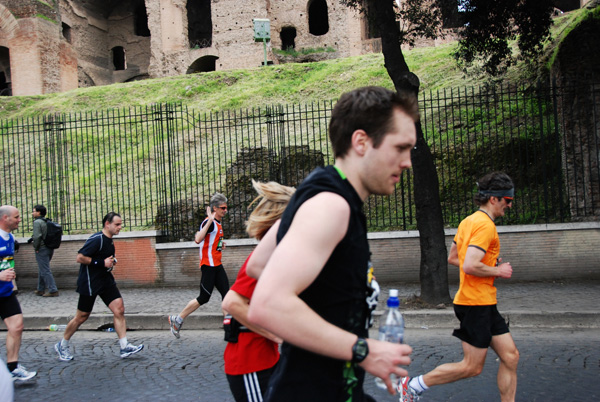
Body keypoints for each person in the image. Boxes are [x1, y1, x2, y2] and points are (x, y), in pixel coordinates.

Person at [246, 86, 418, 401]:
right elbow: (267, 304)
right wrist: (364, 350)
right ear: (362, 142)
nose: (407, 162)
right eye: (401, 147)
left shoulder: (318, 188)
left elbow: (259, 264)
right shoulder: (331, 205)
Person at [399, 171, 520, 402]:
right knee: (471, 367)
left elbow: (454, 257)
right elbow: (470, 265)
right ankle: (413, 386)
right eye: (508, 200)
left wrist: (487, 264)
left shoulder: (469, 221)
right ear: (493, 199)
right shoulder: (485, 227)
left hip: (483, 300)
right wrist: (498, 270)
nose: (509, 206)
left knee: (511, 356)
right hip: (475, 303)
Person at [222, 180, 294, 402]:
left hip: (267, 359)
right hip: (249, 364)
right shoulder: (261, 260)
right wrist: (274, 334)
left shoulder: (274, 256)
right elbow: (231, 302)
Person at [54, 212, 144, 361]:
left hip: (105, 280)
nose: (120, 227)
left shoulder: (109, 240)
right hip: (90, 282)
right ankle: (62, 345)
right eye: (117, 224)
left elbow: (104, 258)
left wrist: (111, 261)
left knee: (119, 309)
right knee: (81, 316)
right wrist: (102, 263)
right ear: (107, 224)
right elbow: (80, 257)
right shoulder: (97, 239)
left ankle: (124, 346)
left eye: (120, 224)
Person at [169, 193, 230, 338]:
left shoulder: (218, 224)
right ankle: (177, 319)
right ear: (214, 208)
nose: (225, 210)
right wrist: (209, 220)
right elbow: (198, 239)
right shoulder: (209, 223)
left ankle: (229, 330)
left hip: (217, 265)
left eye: (227, 208)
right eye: (223, 208)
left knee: (227, 296)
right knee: (204, 297)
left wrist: (221, 245)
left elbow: (210, 242)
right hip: (208, 265)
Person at [0, 205, 37, 382]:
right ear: (4, 218)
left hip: (5, 292)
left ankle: (12, 368)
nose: (19, 220)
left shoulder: (10, 238)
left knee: (17, 326)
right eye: (16, 217)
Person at [30, 205, 59, 297]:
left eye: (34, 211)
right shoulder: (47, 221)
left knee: (45, 270)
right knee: (42, 268)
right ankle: (40, 289)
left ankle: (53, 290)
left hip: (42, 248)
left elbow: (37, 236)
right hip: (49, 248)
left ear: (39, 212)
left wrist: (36, 247)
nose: (32, 213)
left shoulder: (37, 222)